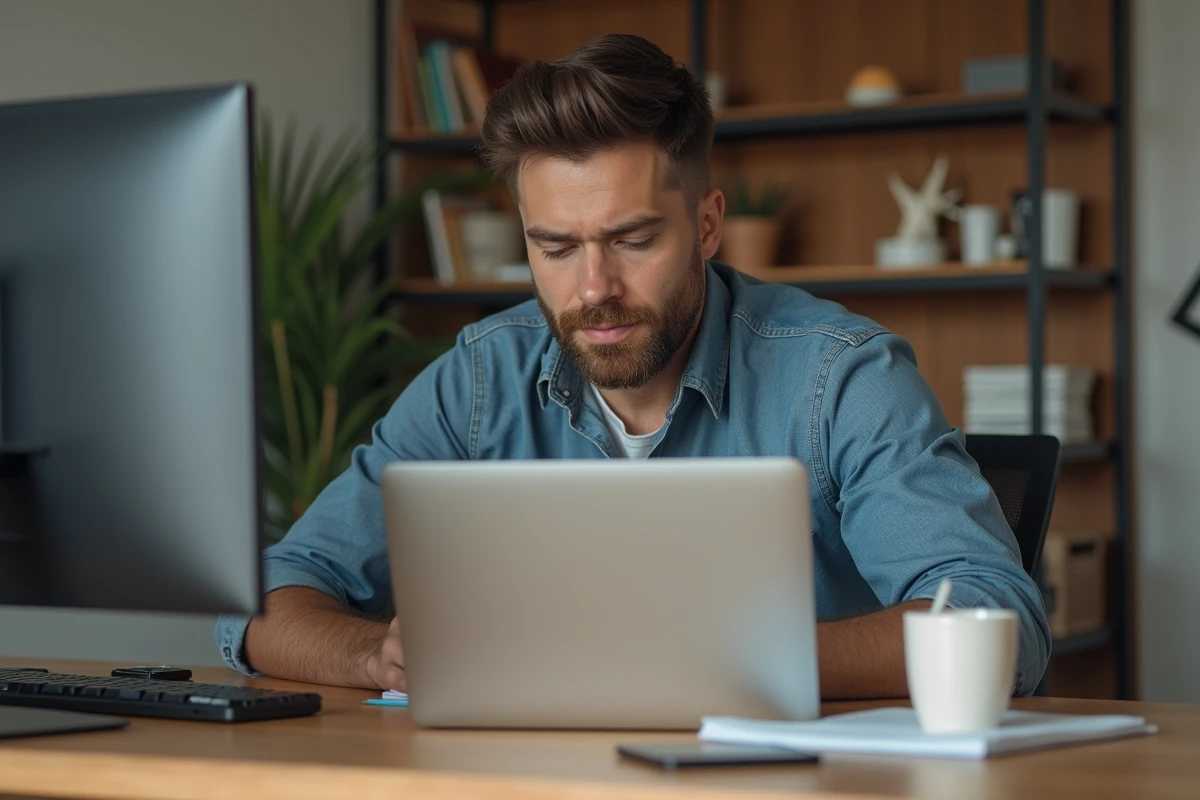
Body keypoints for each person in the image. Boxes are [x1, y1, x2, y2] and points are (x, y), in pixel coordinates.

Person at [216, 34, 1050, 698]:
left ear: (710, 224)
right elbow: (263, 603)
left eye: (633, 240)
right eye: (555, 247)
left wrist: (715, 663)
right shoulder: (480, 382)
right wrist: (375, 657)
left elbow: (993, 618)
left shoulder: (842, 377)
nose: (593, 290)